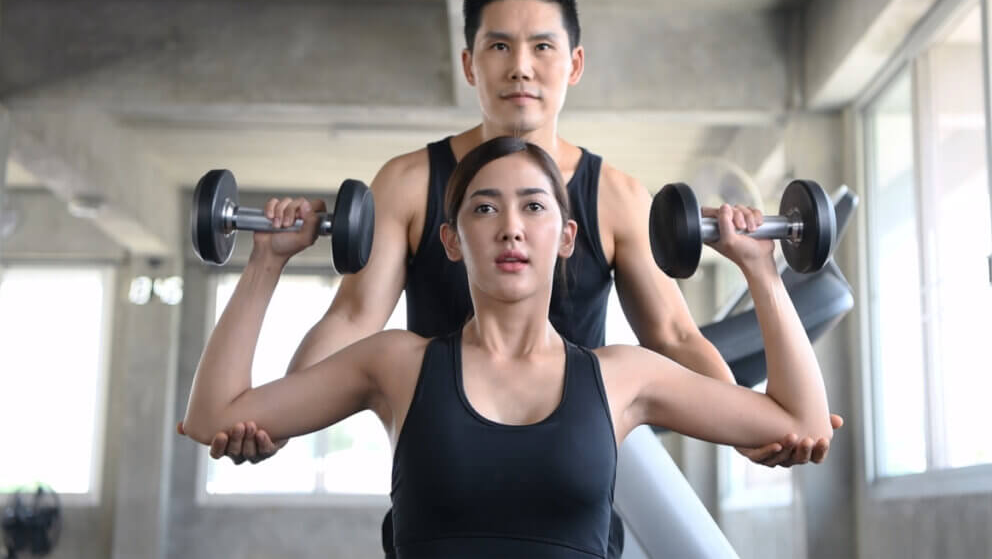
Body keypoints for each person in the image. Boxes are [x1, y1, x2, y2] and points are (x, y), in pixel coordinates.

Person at [180, 0, 842, 556]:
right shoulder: (410, 193)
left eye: (541, 47)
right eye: (498, 46)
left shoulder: (617, 203)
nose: (520, 67)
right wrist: (279, 415)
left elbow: (673, 335)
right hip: (442, 434)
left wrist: (744, 422)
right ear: (470, 63)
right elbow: (352, 317)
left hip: (582, 430)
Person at [182, 136, 834, 559]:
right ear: (451, 238)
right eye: (485, 209)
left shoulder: (624, 377)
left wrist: (762, 269)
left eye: (534, 206)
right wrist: (265, 260)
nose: (512, 227)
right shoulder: (396, 364)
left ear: (568, 234)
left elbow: (799, 421)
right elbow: (214, 415)